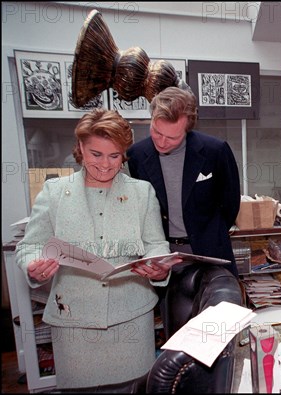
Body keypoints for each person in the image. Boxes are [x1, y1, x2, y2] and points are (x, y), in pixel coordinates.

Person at [16, 108, 175, 389]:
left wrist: (157, 267)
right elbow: (30, 246)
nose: (105, 164)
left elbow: (156, 245)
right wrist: (34, 265)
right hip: (74, 326)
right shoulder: (54, 192)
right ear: (80, 148)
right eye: (95, 154)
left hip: (132, 323)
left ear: (124, 153)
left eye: (114, 156)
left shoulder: (142, 192)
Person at [127, 86, 241, 276]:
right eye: (156, 131)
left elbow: (230, 203)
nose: (162, 142)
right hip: (160, 255)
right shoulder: (136, 155)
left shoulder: (215, 151)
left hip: (209, 251)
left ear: (187, 130)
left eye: (172, 137)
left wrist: (210, 232)